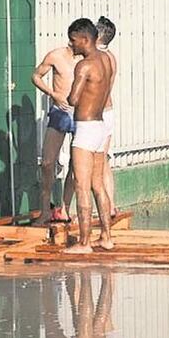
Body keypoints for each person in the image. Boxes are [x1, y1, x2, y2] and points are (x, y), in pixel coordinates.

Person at [65, 18, 115, 254]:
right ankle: (106, 236)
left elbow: (73, 99)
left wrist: (65, 94)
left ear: (85, 39)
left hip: (85, 128)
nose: (71, 45)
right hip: (101, 125)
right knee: (97, 184)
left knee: (81, 185)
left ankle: (84, 243)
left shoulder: (84, 66)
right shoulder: (106, 59)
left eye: (73, 41)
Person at [32, 40, 79, 225]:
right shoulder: (56, 56)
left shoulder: (86, 57)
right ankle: (45, 211)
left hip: (80, 112)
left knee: (77, 165)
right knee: (47, 162)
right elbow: (36, 76)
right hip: (60, 111)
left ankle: (65, 209)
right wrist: (53, 94)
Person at [96, 16, 120, 217]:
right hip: (107, 112)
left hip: (100, 113)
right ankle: (110, 204)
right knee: (103, 160)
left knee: (99, 160)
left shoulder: (101, 58)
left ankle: (108, 206)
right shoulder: (110, 56)